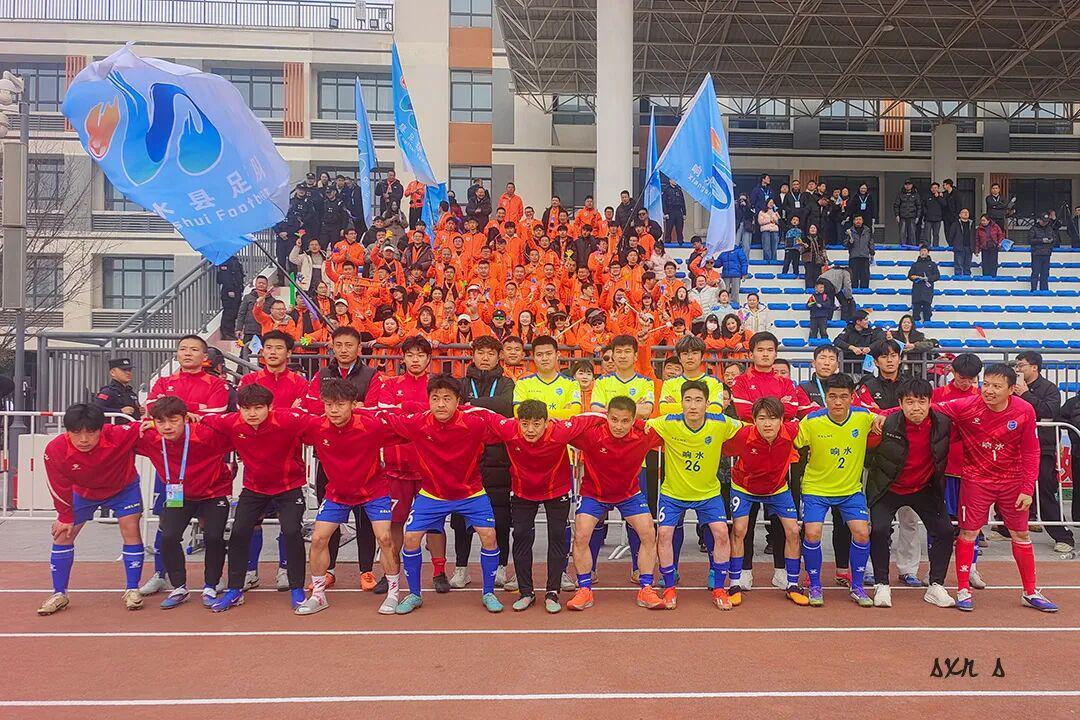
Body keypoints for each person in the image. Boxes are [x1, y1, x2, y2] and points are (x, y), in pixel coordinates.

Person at [927, 364, 1058, 612]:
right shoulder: (967, 405)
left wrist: (1027, 488)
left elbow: (1031, 451)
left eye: (996, 386)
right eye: (986, 384)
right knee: (968, 533)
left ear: (1011, 389)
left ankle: (1030, 592)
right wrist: (881, 414)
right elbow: (926, 408)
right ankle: (963, 589)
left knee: (1021, 535)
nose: (989, 390)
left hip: (1013, 483)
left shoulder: (1024, 411)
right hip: (976, 480)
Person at [382, 375, 517, 615]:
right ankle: (414, 594)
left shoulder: (475, 422)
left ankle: (488, 593)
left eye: (447, 399)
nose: (441, 404)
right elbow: (384, 417)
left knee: (489, 535)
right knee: (411, 538)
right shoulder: (418, 423)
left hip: (471, 493)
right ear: (428, 401)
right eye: (435, 399)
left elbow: (509, 429)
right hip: (432, 494)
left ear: (457, 401)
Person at [292, 379, 402, 616]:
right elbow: (283, 425)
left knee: (385, 538)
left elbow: (410, 429)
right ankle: (318, 595)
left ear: (353, 405)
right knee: (318, 539)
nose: (334, 410)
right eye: (329, 404)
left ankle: (393, 593)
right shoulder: (315, 426)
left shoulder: (372, 425)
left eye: (340, 404)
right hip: (337, 493)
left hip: (374, 492)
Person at [200, 384, 310, 612]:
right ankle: (235, 589)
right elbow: (202, 419)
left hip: (288, 486)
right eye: (246, 408)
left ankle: (297, 588)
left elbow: (321, 422)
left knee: (292, 531)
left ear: (270, 407)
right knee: (239, 532)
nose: (252, 414)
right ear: (239, 408)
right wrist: (153, 423)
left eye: (258, 408)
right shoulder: (231, 422)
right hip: (254, 488)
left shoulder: (288, 420)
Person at [139, 335, 229, 596]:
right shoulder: (163, 382)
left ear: (205, 357)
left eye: (194, 349)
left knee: (212, 531)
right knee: (167, 526)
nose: (187, 353)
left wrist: (176, 412)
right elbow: (151, 408)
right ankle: (161, 574)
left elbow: (216, 414)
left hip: (206, 463)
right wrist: (189, 413)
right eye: (183, 349)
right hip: (172, 472)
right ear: (177, 354)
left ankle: (213, 580)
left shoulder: (216, 384)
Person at [37, 404, 145, 615]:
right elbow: (57, 485)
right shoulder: (55, 449)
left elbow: (152, 426)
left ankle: (132, 589)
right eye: (77, 433)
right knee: (63, 534)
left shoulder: (120, 434)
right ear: (67, 431)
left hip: (123, 489)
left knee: (131, 529)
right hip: (83, 492)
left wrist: (183, 417)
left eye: (91, 432)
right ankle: (59, 593)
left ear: (101, 429)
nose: (84, 439)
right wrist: (65, 516)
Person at [646, 380, 744, 610]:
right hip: (673, 493)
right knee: (665, 534)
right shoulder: (668, 422)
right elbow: (638, 426)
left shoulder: (720, 422)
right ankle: (669, 587)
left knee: (722, 533)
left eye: (698, 400)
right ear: (681, 403)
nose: (692, 405)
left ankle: (719, 589)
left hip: (708, 493)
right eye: (688, 400)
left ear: (707, 404)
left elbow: (749, 430)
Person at [300, 326, 384, 590]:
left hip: (363, 455)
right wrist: (351, 408)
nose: (344, 350)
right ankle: (329, 570)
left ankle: (366, 570)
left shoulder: (371, 375)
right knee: (330, 519)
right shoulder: (322, 374)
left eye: (349, 345)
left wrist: (346, 411)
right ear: (332, 347)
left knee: (364, 518)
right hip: (329, 456)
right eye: (339, 345)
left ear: (359, 347)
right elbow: (310, 406)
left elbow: (374, 409)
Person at [564, 397, 665, 611]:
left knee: (648, 532)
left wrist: (644, 423)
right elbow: (564, 430)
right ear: (607, 416)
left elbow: (676, 430)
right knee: (581, 534)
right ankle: (584, 589)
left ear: (633, 420)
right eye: (614, 419)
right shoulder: (592, 435)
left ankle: (646, 588)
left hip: (629, 494)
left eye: (625, 421)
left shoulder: (645, 434)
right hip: (594, 493)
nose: (619, 426)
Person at [865, 378, 957, 608]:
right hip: (888, 487)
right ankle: (881, 584)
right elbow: (868, 456)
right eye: (910, 402)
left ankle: (936, 585)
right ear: (900, 404)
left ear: (930, 402)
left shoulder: (943, 423)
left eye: (921, 401)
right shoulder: (886, 424)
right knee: (879, 530)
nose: (916, 407)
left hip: (924, 488)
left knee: (945, 531)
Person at [135, 396, 233, 609]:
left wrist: (204, 417)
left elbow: (235, 428)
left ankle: (211, 584)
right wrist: (147, 422)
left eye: (173, 420)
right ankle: (179, 587)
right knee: (168, 536)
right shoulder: (149, 436)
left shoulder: (205, 435)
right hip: (178, 495)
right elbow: (115, 433)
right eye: (161, 422)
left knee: (213, 537)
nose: (167, 427)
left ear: (185, 419)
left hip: (213, 493)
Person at [486, 399, 576, 613]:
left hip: (557, 490)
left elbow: (592, 419)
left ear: (546, 422)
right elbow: (484, 415)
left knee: (557, 536)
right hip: (523, 491)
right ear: (517, 421)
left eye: (536, 424)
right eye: (525, 424)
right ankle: (526, 592)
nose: (530, 430)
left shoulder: (560, 431)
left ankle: (552, 592)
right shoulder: (509, 430)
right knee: (521, 536)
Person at [795, 373, 876, 607]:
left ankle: (857, 586)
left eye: (843, 396)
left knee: (862, 532)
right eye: (832, 396)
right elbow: (792, 441)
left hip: (850, 490)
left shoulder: (864, 417)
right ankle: (815, 585)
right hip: (816, 489)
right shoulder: (812, 421)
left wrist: (881, 418)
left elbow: (884, 418)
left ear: (852, 397)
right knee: (812, 533)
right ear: (825, 398)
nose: (838, 402)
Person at [722, 396, 807, 606]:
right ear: (754, 420)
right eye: (762, 418)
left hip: (777, 489)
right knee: (739, 530)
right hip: (744, 487)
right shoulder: (743, 435)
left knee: (793, 531)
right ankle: (735, 583)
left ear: (781, 420)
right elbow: (720, 447)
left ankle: (792, 585)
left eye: (773, 418)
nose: (767, 424)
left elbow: (816, 419)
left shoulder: (791, 431)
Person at [453, 337, 516, 590]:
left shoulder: (506, 383)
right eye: (481, 353)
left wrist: (473, 405)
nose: (486, 358)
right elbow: (455, 409)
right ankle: (461, 568)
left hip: (499, 457)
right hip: (466, 457)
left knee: (501, 517)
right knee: (461, 517)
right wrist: (485, 408)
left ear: (498, 356)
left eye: (491, 353)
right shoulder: (461, 383)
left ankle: (501, 567)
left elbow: (506, 406)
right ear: (473, 355)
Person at [1014, 351, 1074, 552]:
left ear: (1034, 367)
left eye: (1021, 365)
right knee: (1010, 489)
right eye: (1016, 366)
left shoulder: (1049, 389)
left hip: (1042, 447)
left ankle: (1063, 536)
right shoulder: (1011, 387)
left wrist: (1025, 395)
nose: (1018, 369)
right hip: (1014, 446)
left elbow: (1049, 412)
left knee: (1044, 489)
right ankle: (1006, 528)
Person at [834, 310, 885, 376]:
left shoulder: (871, 331)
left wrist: (869, 348)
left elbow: (879, 341)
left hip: (867, 369)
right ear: (858, 321)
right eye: (865, 320)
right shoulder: (848, 330)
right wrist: (852, 348)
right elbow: (837, 341)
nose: (868, 322)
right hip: (849, 368)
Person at [92, 358, 141, 422]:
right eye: (124, 370)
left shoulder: (130, 392)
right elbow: (95, 409)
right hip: (116, 427)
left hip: (132, 426)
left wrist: (139, 411)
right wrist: (119, 411)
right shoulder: (108, 391)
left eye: (129, 370)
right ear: (112, 372)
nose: (128, 373)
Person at [907, 245, 940, 323]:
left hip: (927, 291)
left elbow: (937, 276)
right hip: (917, 290)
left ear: (928, 252)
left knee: (927, 311)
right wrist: (915, 277)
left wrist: (928, 278)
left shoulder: (932, 264)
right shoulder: (915, 264)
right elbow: (910, 275)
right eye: (921, 251)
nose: (922, 252)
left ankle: (927, 325)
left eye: (924, 251)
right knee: (915, 311)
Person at [216, 255, 245, 340]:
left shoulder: (234, 260)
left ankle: (231, 332)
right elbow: (225, 278)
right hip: (229, 291)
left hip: (237, 290)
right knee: (229, 312)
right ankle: (226, 333)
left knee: (235, 312)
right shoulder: (224, 261)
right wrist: (230, 289)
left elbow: (239, 276)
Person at [844, 215, 874, 289]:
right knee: (853, 277)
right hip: (854, 257)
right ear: (853, 221)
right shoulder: (849, 232)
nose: (858, 221)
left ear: (862, 221)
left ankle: (864, 293)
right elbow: (845, 244)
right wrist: (850, 242)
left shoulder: (867, 231)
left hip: (865, 257)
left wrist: (872, 252)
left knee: (865, 277)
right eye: (856, 219)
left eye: (860, 219)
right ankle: (854, 293)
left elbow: (871, 242)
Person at [1030, 212, 1056, 292]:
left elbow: (1055, 238)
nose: (1045, 223)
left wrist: (1051, 241)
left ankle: (1044, 291)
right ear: (1039, 220)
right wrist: (1041, 240)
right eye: (1043, 221)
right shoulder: (1033, 229)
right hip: (1037, 254)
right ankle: (1034, 290)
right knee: (1035, 273)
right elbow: (1030, 240)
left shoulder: (1050, 228)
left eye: (1046, 221)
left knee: (1045, 274)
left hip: (1047, 254)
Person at [893, 179, 922, 245]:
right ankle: (903, 246)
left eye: (909, 184)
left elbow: (919, 206)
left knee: (912, 233)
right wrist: (897, 215)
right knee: (902, 232)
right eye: (906, 184)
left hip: (912, 217)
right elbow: (896, 205)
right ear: (904, 185)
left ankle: (913, 247)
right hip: (902, 217)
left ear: (912, 185)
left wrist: (918, 217)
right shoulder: (900, 194)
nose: (907, 186)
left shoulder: (916, 195)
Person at [975, 213, 1004, 278]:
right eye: (981, 220)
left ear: (988, 220)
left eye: (984, 220)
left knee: (993, 263)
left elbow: (1000, 235)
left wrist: (999, 242)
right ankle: (985, 277)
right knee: (985, 264)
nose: (982, 222)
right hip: (984, 248)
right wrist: (977, 250)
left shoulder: (995, 226)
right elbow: (977, 240)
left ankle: (993, 277)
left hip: (993, 247)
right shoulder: (979, 229)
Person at [948, 208, 976, 277]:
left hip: (969, 248)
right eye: (963, 212)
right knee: (958, 266)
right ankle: (958, 280)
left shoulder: (972, 224)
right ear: (960, 215)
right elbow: (951, 236)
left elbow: (974, 236)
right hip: (959, 247)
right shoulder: (955, 224)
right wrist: (955, 245)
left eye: (967, 212)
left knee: (968, 266)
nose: (966, 213)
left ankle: (967, 279)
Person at [662, 178, 686, 245]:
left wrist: (684, 213)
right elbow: (664, 202)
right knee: (669, 228)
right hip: (670, 210)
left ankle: (680, 242)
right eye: (673, 180)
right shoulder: (666, 190)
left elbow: (683, 202)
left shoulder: (679, 190)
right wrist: (665, 213)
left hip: (678, 210)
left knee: (679, 227)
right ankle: (667, 242)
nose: (675, 181)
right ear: (670, 181)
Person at [923, 182, 946, 247]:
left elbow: (944, 204)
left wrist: (938, 197)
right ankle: (927, 247)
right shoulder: (927, 196)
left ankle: (935, 247)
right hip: (928, 219)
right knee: (927, 234)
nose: (934, 189)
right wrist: (926, 213)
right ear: (930, 189)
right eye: (932, 188)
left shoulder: (941, 196)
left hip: (937, 219)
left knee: (936, 234)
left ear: (938, 188)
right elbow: (923, 206)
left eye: (935, 188)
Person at [757, 198, 781, 263]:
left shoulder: (775, 212)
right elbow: (760, 222)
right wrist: (769, 220)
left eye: (772, 203)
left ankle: (774, 261)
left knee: (774, 247)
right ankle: (767, 261)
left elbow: (779, 222)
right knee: (766, 246)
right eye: (770, 202)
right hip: (766, 230)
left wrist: (775, 218)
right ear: (767, 203)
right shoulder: (762, 212)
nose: (771, 204)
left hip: (774, 230)